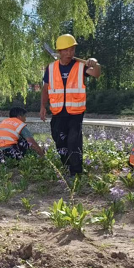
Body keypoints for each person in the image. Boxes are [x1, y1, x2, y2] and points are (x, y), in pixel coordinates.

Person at [39, 34, 101, 178]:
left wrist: (95, 63)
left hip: (75, 113)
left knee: (73, 141)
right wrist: (43, 106)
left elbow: (96, 74)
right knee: (59, 139)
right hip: (58, 112)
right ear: (59, 52)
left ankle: (76, 171)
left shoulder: (81, 66)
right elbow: (45, 88)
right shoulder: (51, 68)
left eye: (72, 50)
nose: (70, 53)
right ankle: (66, 166)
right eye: (66, 50)